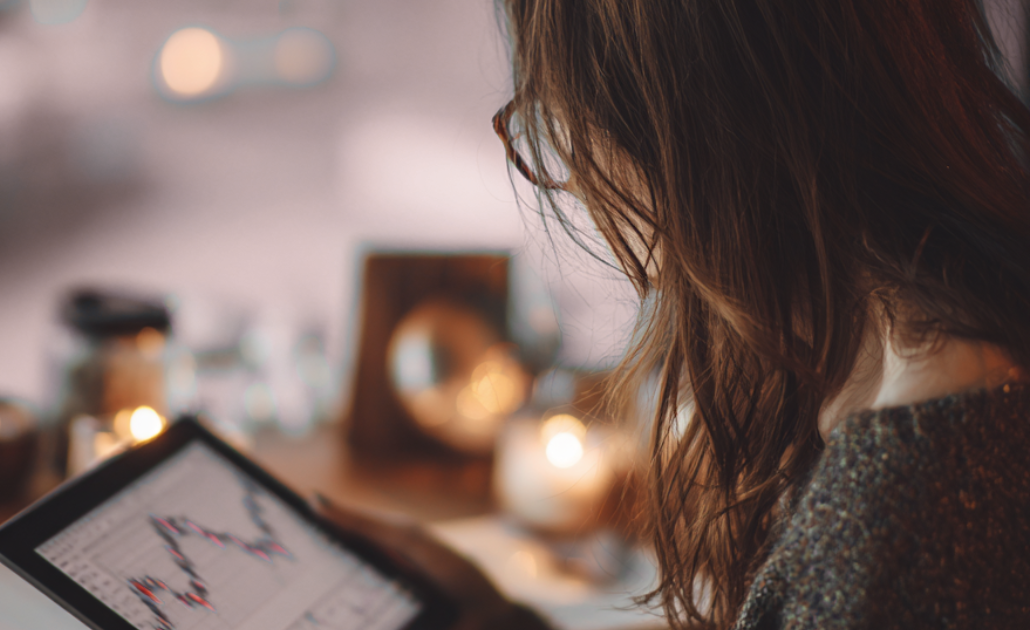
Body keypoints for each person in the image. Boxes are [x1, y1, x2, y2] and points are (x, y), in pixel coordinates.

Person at [319, 0, 1030, 628]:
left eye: (558, 113)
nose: (572, 177)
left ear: (690, 117)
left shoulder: (893, 537)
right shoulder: (927, 392)